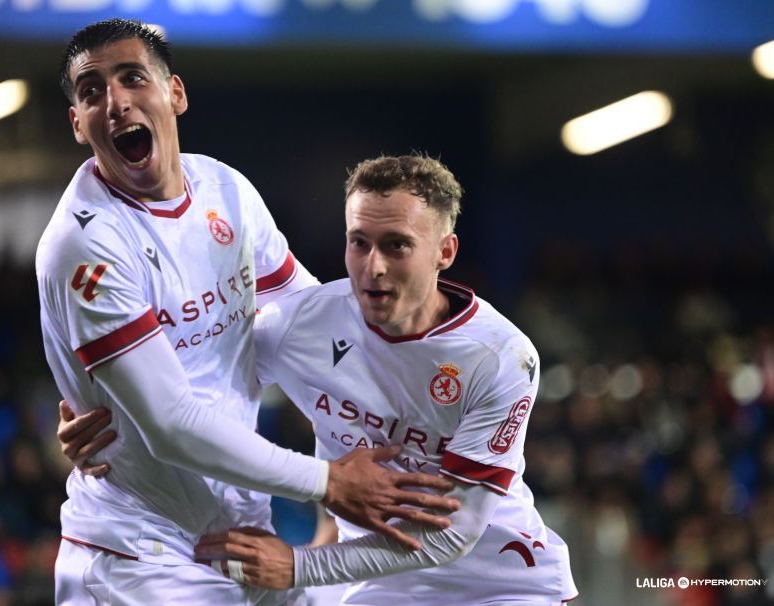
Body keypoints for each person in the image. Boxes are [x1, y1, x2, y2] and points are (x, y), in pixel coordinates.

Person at [36, 20, 458, 606]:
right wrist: (330, 483)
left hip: (239, 534)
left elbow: (313, 328)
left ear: (175, 94)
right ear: (78, 124)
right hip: (139, 553)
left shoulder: (225, 191)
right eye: (91, 92)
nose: (115, 102)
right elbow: (170, 424)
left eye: (132, 78)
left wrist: (425, 391)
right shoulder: (86, 245)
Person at [62, 154, 579, 604]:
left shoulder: (502, 358)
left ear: (445, 252)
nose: (372, 267)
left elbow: (452, 534)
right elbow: (197, 386)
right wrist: (107, 426)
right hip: (377, 586)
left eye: (397, 246)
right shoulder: (301, 324)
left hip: (499, 583)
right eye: (360, 243)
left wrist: (299, 566)